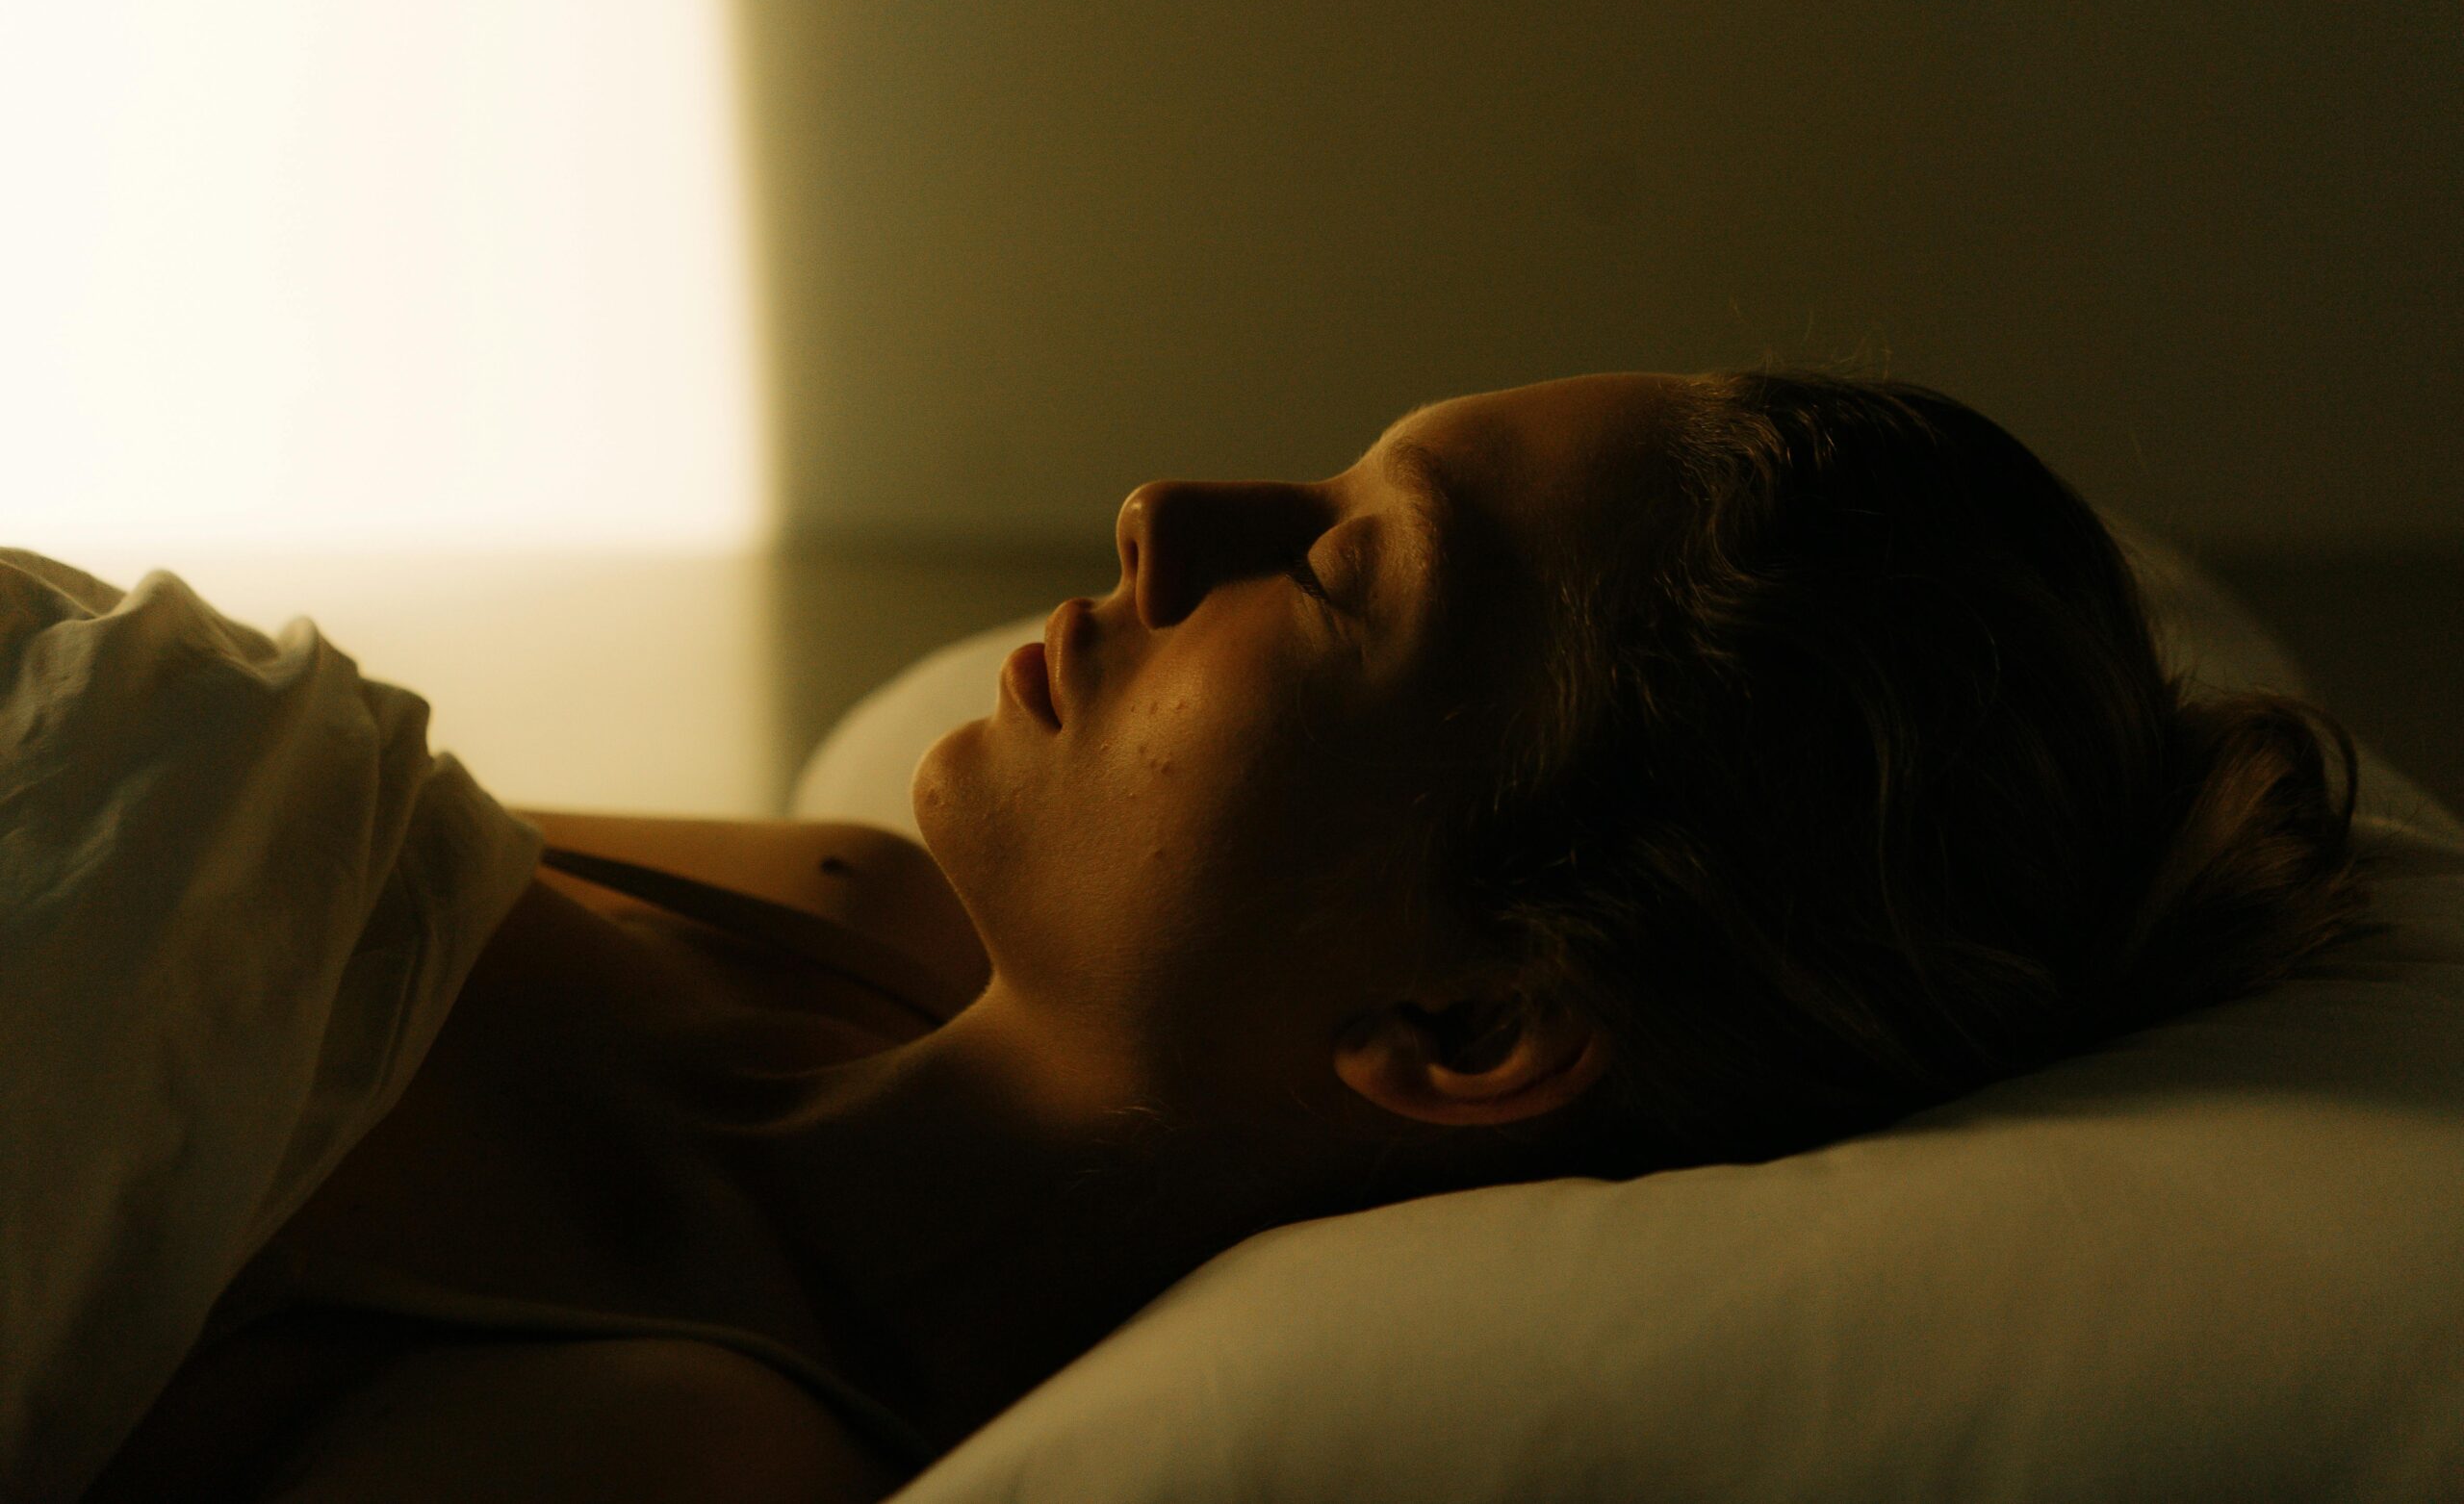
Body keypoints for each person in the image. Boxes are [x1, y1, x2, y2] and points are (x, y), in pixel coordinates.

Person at [86, 370, 2382, 1502]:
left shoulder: (661, 1432)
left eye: (1341, 576)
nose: (1168, 514)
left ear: (1464, 1020)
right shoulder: (843, 912)